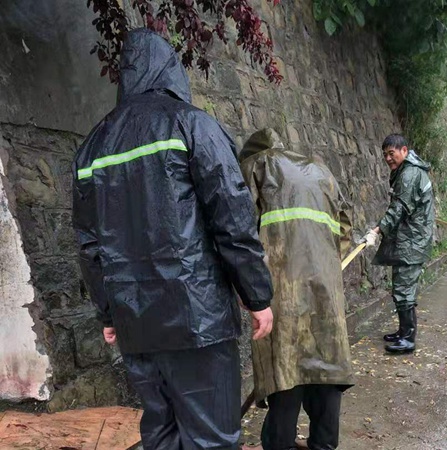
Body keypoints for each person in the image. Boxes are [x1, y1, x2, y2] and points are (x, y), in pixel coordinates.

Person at [72, 28, 274, 450]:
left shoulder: (92, 148)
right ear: (171, 71)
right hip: (197, 320)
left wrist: (109, 313)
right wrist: (256, 296)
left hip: (136, 323)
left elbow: (90, 246)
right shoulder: (192, 124)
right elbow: (232, 218)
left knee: (161, 433)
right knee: (212, 439)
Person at [238, 129, 353, 450]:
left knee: (285, 375)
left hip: (280, 291)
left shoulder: (256, 166)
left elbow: (238, 230)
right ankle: (323, 445)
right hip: (326, 291)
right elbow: (345, 227)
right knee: (326, 372)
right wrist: (325, 263)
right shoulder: (321, 171)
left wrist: (247, 285)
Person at [362, 134, 434, 354]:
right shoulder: (407, 171)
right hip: (408, 240)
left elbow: (399, 209)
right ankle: (403, 332)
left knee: (404, 290)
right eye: (385, 154)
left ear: (404, 150)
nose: (387, 158)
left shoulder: (410, 173)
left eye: (391, 153)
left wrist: (375, 231)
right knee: (400, 287)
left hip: (412, 242)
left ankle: (408, 339)